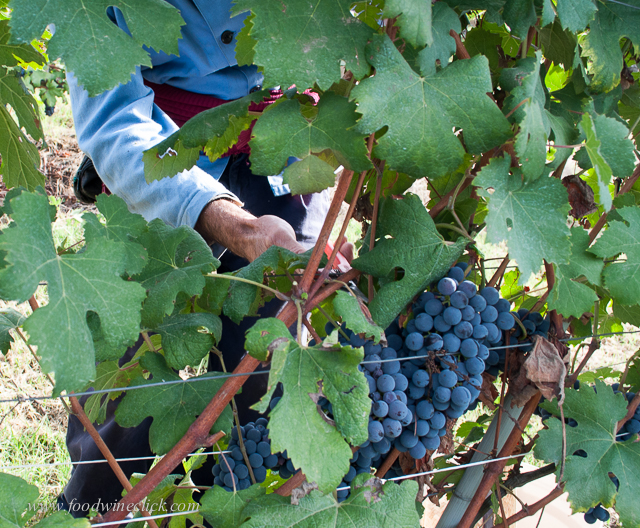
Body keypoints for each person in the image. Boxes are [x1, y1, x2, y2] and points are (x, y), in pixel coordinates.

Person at [61, 0, 349, 516]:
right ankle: (93, 514)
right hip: (162, 152)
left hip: (285, 149)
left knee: (270, 377)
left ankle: (228, 511)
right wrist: (238, 226)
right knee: (125, 385)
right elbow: (114, 124)